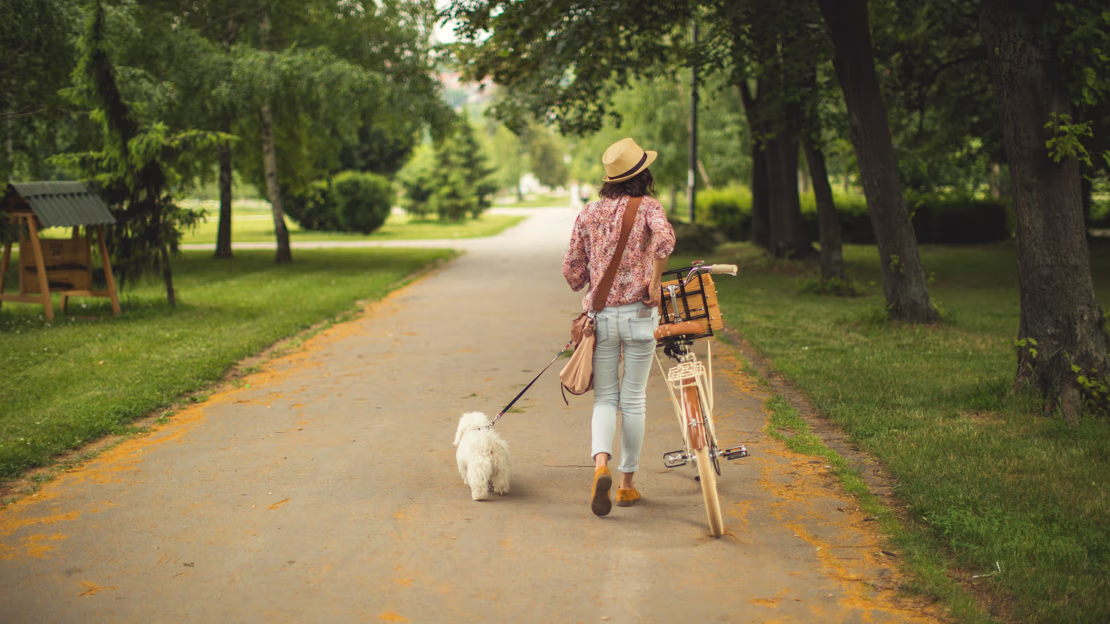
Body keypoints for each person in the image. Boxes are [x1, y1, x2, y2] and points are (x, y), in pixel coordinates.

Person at [561, 138, 676, 517]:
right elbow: (664, 241)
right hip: (641, 317)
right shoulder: (650, 209)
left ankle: (599, 467)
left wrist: (592, 278)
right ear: (642, 174)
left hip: (603, 320)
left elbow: (572, 271)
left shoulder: (589, 213)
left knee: (606, 399)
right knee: (634, 400)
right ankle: (626, 486)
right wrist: (654, 283)